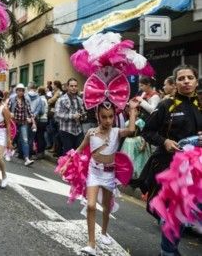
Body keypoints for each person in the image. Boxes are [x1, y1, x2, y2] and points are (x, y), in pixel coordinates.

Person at [137, 65, 202, 256]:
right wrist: (164, 141)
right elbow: (147, 131)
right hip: (171, 168)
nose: (186, 81)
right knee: (175, 214)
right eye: (181, 78)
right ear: (176, 83)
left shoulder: (201, 103)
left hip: (197, 170)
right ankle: (168, 251)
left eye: (190, 77)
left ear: (196, 81)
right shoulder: (166, 105)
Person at [62, 100, 139, 255]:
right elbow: (79, 149)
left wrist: (132, 110)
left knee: (106, 207)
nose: (108, 120)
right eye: (104, 117)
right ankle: (91, 243)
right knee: (91, 206)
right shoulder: (91, 133)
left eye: (110, 117)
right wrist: (67, 163)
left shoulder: (116, 132)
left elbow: (131, 129)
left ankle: (103, 233)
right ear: (98, 116)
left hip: (109, 175)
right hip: (94, 172)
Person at [55, 78, 85, 156]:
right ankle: (66, 168)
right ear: (67, 87)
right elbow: (57, 114)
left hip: (78, 130)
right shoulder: (61, 99)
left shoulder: (79, 100)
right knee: (68, 154)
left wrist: (82, 116)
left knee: (78, 153)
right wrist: (71, 116)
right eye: (71, 86)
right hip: (66, 130)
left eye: (75, 86)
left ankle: (76, 168)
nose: (74, 88)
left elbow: (82, 112)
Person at [8, 83, 35, 166]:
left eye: (22, 90)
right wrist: (10, 114)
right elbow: (6, 110)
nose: (20, 92)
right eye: (19, 90)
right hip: (14, 123)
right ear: (16, 91)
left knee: (25, 140)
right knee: (11, 138)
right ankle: (8, 153)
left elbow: (30, 112)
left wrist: (33, 123)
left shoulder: (26, 100)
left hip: (23, 123)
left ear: (24, 91)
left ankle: (26, 158)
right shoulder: (12, 99)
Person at [33, 86, 49, 160]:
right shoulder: (44, 99)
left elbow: (41, 111)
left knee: (39, 137)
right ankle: (42, 152)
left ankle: (40, 153)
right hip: (45, 119)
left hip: (41, 120)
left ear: (39, 92)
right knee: (41, 136)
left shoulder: (40, 99)